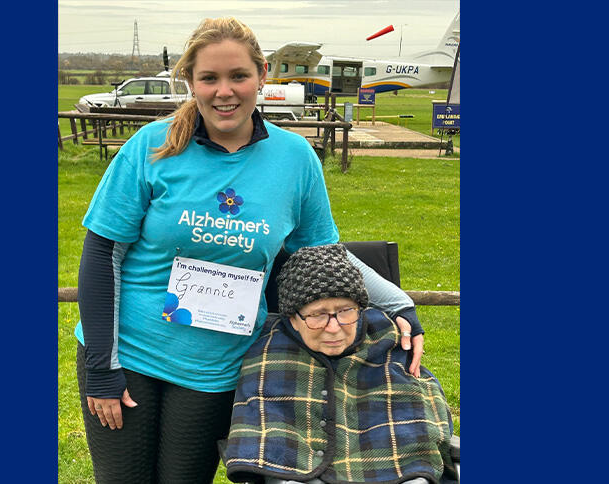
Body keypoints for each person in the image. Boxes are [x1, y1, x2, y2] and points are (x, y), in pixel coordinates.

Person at [75, 17, 427, 484]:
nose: (225, 91)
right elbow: (102, 254)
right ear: (191, 83)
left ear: (262, 74)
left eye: (238, 76)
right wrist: (103, 366)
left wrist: (398, 304)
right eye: (210, 78)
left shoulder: (294, 158)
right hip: (130, 351)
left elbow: (323, 253)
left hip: (215, 366)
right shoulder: (151, 146)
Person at [224, 244, 457, 484]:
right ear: (293, 319)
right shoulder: (269, 353)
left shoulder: (388, 343)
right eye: (317, 315)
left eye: (345, 311)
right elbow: (261, 429)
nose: (333, 327)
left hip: (394, 470)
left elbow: (420, 416)